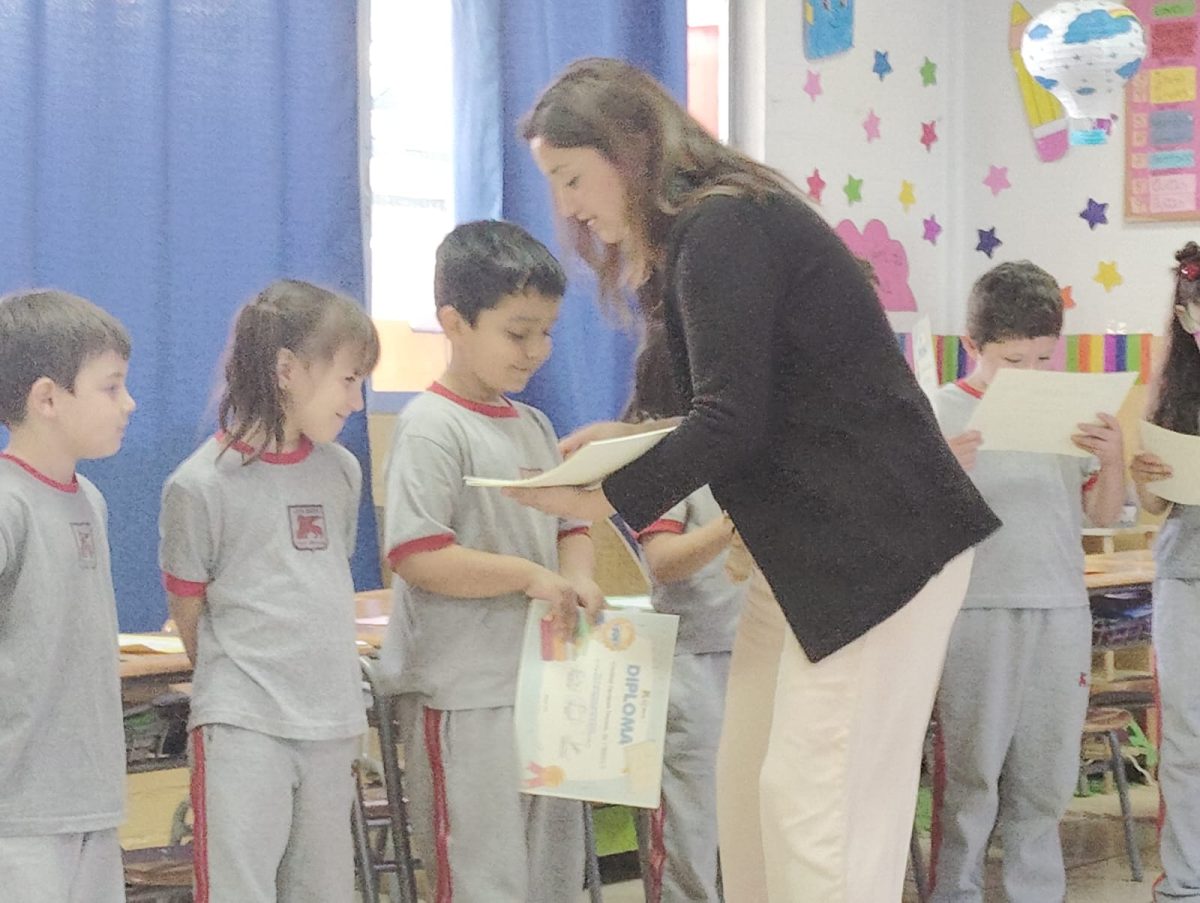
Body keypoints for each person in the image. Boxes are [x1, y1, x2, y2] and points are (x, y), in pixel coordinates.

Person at [511, 57, 1000, 902]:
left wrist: (607, 494)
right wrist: (614, 446)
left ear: (628, 153)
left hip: (879, 549)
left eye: (572, 177)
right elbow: (696, 406)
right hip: (809, 556)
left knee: (814, 804)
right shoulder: (696, 242)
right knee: (749, 796)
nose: (567, 206)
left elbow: (732, 420)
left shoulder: (724, 227)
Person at [382, 220, 601, 903]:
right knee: (483, 875)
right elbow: (419, 555)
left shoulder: (533, 425)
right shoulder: (430, 426)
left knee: (552, 876)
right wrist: (528, 576)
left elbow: (574, 522)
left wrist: (582, 576)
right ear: (454, 321)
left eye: (547, 331)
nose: (536, 349)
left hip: (547, 683)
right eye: (517, 331)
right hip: (465, 691)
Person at [158, 279, 378, 902]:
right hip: (244, 723)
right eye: (347, 380)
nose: (357, 401)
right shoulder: (199, 485)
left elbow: (320, 584)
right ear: (287, 370)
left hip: (331, 722)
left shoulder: (341, 471)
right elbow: (189, 608)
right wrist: (243, 686)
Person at [929, 261, 1126, 902]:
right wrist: (940, 476)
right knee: (972, 773)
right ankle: (955, 891)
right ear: (973, 347)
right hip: (975, 610)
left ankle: (1034, 892)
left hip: (1061, 606)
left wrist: (1113, 457)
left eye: (1043, 358)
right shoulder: (937, 410)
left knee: (1046, 773)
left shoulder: (1069, 409)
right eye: (1013, 360)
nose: (1031, 375)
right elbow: (905, 527)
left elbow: (1100, 515)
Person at [0, 290, 135, 903]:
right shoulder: (8, 505)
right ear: (48, 398)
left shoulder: (91, 500)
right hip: (18, 816)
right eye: (110, 388)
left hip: (89, 803)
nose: (128, 403)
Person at [1131, 241, 1200, 903]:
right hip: (1187, 575)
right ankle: (1185, 879)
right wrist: (1144, 474)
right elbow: (1154, 504)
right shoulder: (1175, 385)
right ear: (1185, 316)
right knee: (1185, 736)